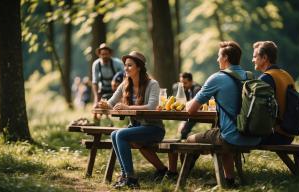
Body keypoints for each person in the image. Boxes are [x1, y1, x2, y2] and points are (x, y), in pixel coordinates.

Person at [185, 41, 261, 187]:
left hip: (232, 137)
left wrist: (186, 102)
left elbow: (191, 109)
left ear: (225, 57)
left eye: (219, 56)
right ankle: (230, 180)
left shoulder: (217, 78)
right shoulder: (250, 76)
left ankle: (187, 177)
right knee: (223, 132)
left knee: (190, 139)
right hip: (253, 136)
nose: (217, 59)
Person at [95, 51, 168, 189]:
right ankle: (126, 176)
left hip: (154, 129)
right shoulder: (125, 84)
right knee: (114, 134)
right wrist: (104, 104)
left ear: (138, 67)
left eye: (130, 65)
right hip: (136, 128)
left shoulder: (153, 84)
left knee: (121, 134)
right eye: (125, 65)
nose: (126, 68)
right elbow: (111, 102)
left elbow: (152, 106)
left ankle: (131, 178)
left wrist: (127, 106)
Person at [252, 41, 295, 145]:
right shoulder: (286, 75)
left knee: (232, 137)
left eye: (255, 56)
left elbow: (257, 112)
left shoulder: (266, 78)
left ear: (264, 58)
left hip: (275, 135)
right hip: (289, 134)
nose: (252, 60)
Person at [172, 72, 202, 139]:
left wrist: (184, 122)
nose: (183, 85)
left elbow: (196, 106)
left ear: (191, 81)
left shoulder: (197, 89)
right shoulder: (186, 89)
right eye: (181, 83)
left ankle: (184, 146)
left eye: (185, 83)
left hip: (198, 114)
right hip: (190, 113)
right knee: (183, 130)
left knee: (184, 131)